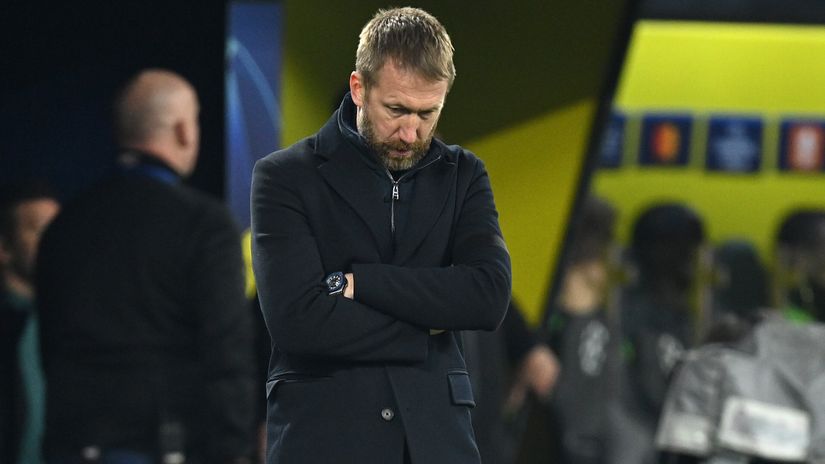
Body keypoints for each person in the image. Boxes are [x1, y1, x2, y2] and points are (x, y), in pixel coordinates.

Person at [250, 7, 511, 464]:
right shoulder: (284, 177)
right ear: (358, 89)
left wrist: (362, 284)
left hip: (436, 443)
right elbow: (298, 322)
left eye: (428, 113)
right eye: (396, 110)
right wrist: (426, 327)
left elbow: (487, 297)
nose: (411, 132)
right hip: (324, 440)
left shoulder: (464, 175)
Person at [36, 69, 256, 464]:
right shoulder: (204, 224)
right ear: (183, 131)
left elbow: (50, 348)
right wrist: (236, 451)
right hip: (164, 447)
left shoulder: (64, 225)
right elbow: (227, 353)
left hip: (68, 445)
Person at [0, 182, 60, 464]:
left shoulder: (73, 325)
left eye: (58, 229)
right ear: (4, 247)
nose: (54, 240)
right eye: (39, 229)